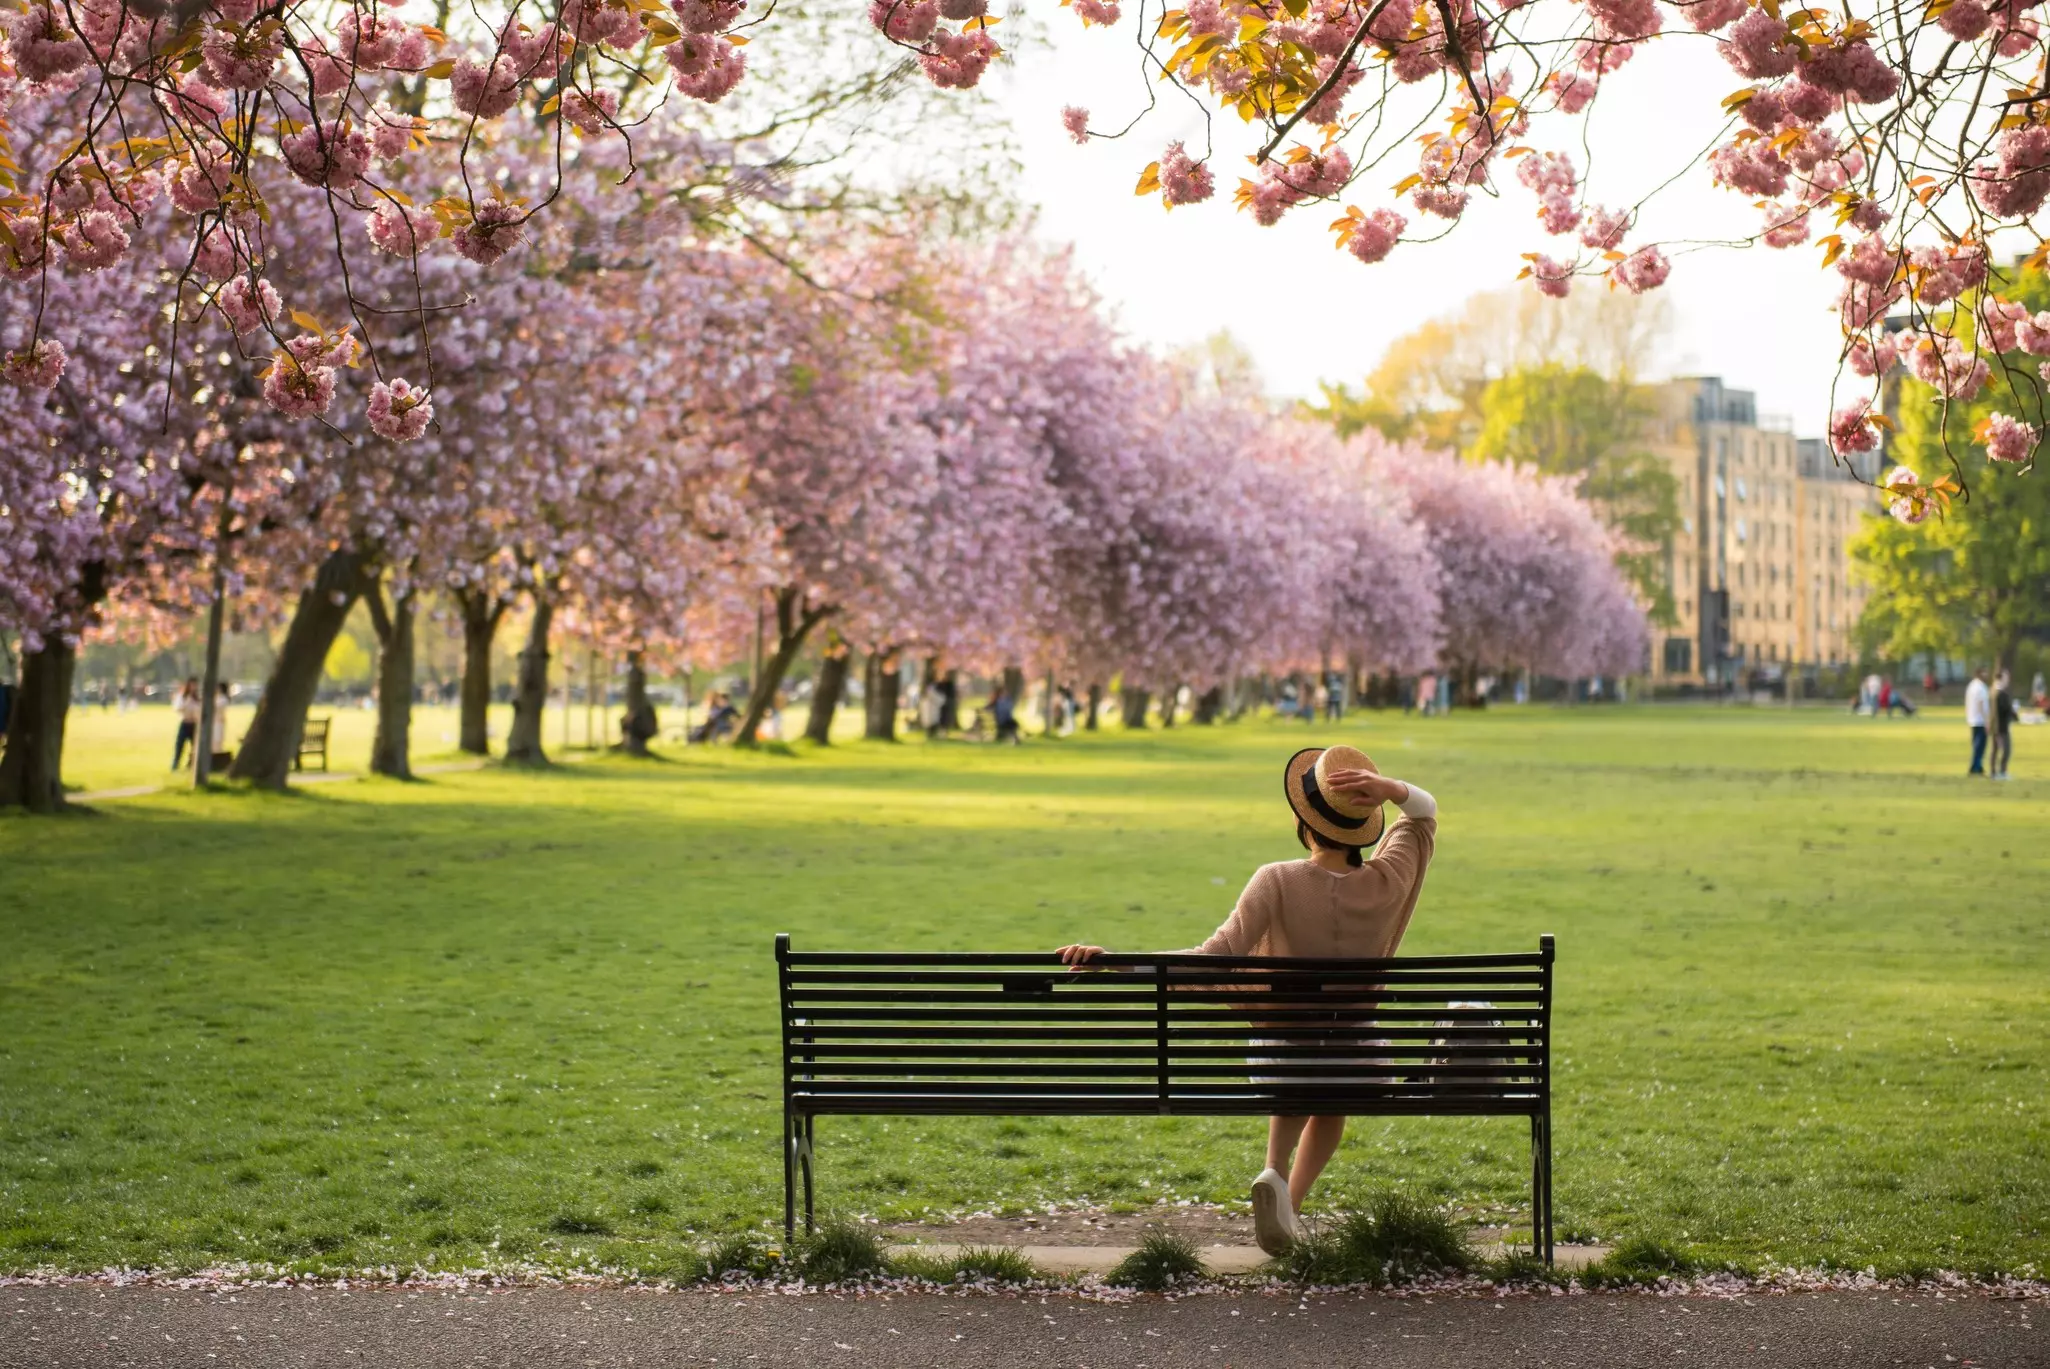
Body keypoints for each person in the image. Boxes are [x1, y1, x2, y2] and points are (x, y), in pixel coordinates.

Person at [1057, 744, 1438, 1256]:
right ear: (1363, 827)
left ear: (1305, 824)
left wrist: (1117, 960)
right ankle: (1291, 1205)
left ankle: (1275, 1171)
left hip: (1281, 1056)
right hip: (1358, 1062)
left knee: (1298, 1059)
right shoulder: (1388, 879)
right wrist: (1393, 790)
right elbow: (1423, 814)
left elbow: (1214, 956)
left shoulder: (1277, 879)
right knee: (1333, 1087)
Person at [1991, 670, 2017, 780]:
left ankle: (1994, 772)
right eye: (2006, 678)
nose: (2008, 681)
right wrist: (2014, 712)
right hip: (2001, 727)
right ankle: (2001, 772)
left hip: (1995, 726)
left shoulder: (1992, 692)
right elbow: (2005, 710)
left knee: (1996, 750)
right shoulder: (2000, 694)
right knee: (2006, 750)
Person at [1964, 668, 1991, 775]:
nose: (1987, 674)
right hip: (1980, 720)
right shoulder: (1980, 687)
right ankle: (1976, 766)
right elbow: (1981, 704)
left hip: (1972, 719)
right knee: (1980, 745)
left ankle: (1977, 766)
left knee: (1976, 744)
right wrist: (1986, 721)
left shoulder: (1972, 686)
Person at [171, 677, 201, 769]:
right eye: (192, 685)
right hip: (185, 723)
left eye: (195, 685)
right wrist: (187, 702)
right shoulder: (182, 696)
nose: (193, 687)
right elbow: (178, 708)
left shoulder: (197, 698)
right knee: (179, 745)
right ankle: (175, 765)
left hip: (194, 724)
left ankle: (191, 764)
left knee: (195, 747)